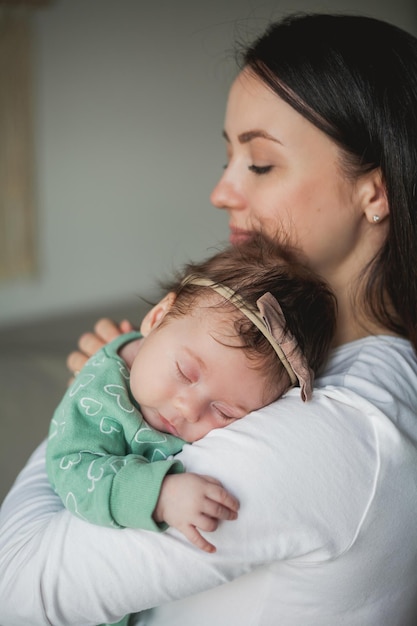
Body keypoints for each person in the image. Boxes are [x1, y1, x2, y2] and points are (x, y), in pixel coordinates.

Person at [1, 11, 417, 626]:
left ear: (374, 193)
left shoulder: (339, 428)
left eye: (261, 162)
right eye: (228, 157)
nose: (222, 191)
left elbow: (16, 588)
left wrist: (95, 392)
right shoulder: (321, 370)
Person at [46, 236, 335, 557]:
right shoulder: (99, 394)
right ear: (156, 318)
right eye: (185, 372)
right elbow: (71, 471)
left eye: (224, 412)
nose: (190, 409)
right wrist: (159, 495)